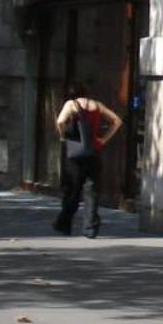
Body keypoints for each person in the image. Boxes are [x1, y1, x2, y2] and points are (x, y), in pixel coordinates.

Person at [52, 81, 123, 238]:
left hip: (76, 153)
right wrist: (103, 139)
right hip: (94, 151)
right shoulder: (97, 105)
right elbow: (117, 121)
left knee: (72, 190)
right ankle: (90, 228)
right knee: (92, 190)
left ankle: (64, 224)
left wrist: (63, 136)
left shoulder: (72, 104)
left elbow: (60, 121)